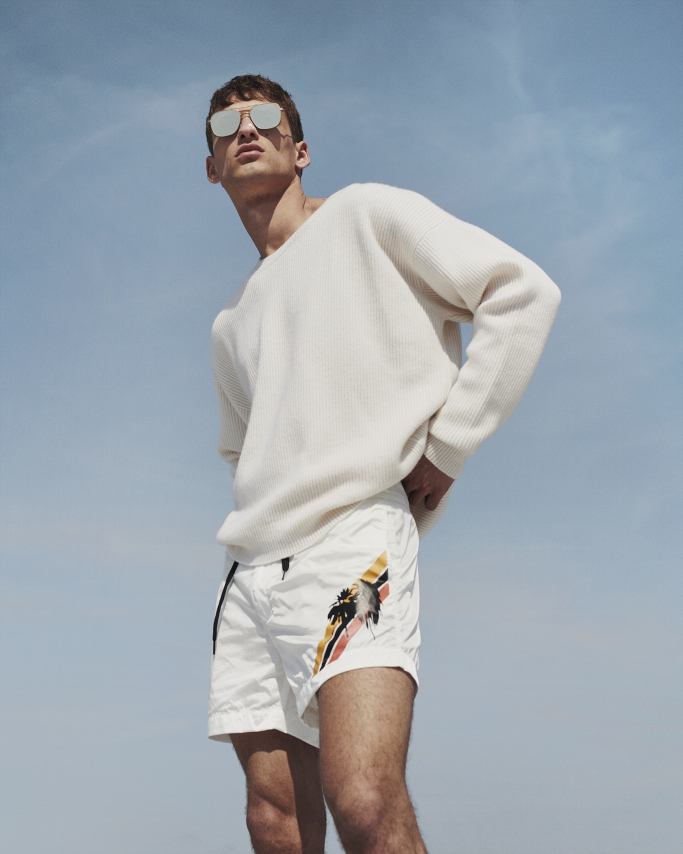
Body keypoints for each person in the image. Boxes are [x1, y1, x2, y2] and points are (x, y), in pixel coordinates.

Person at [204, 74, 560, 854]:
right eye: (226, 125)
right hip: (252, 576)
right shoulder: (229, 322)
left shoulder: (365, 215)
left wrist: (450, 443)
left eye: (264, 116)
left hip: (352, 544)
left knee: (363, 798)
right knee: (273, 821)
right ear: (211, 167)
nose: (246, 129)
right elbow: (241, 447)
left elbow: (521, 293)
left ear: (300, 149)